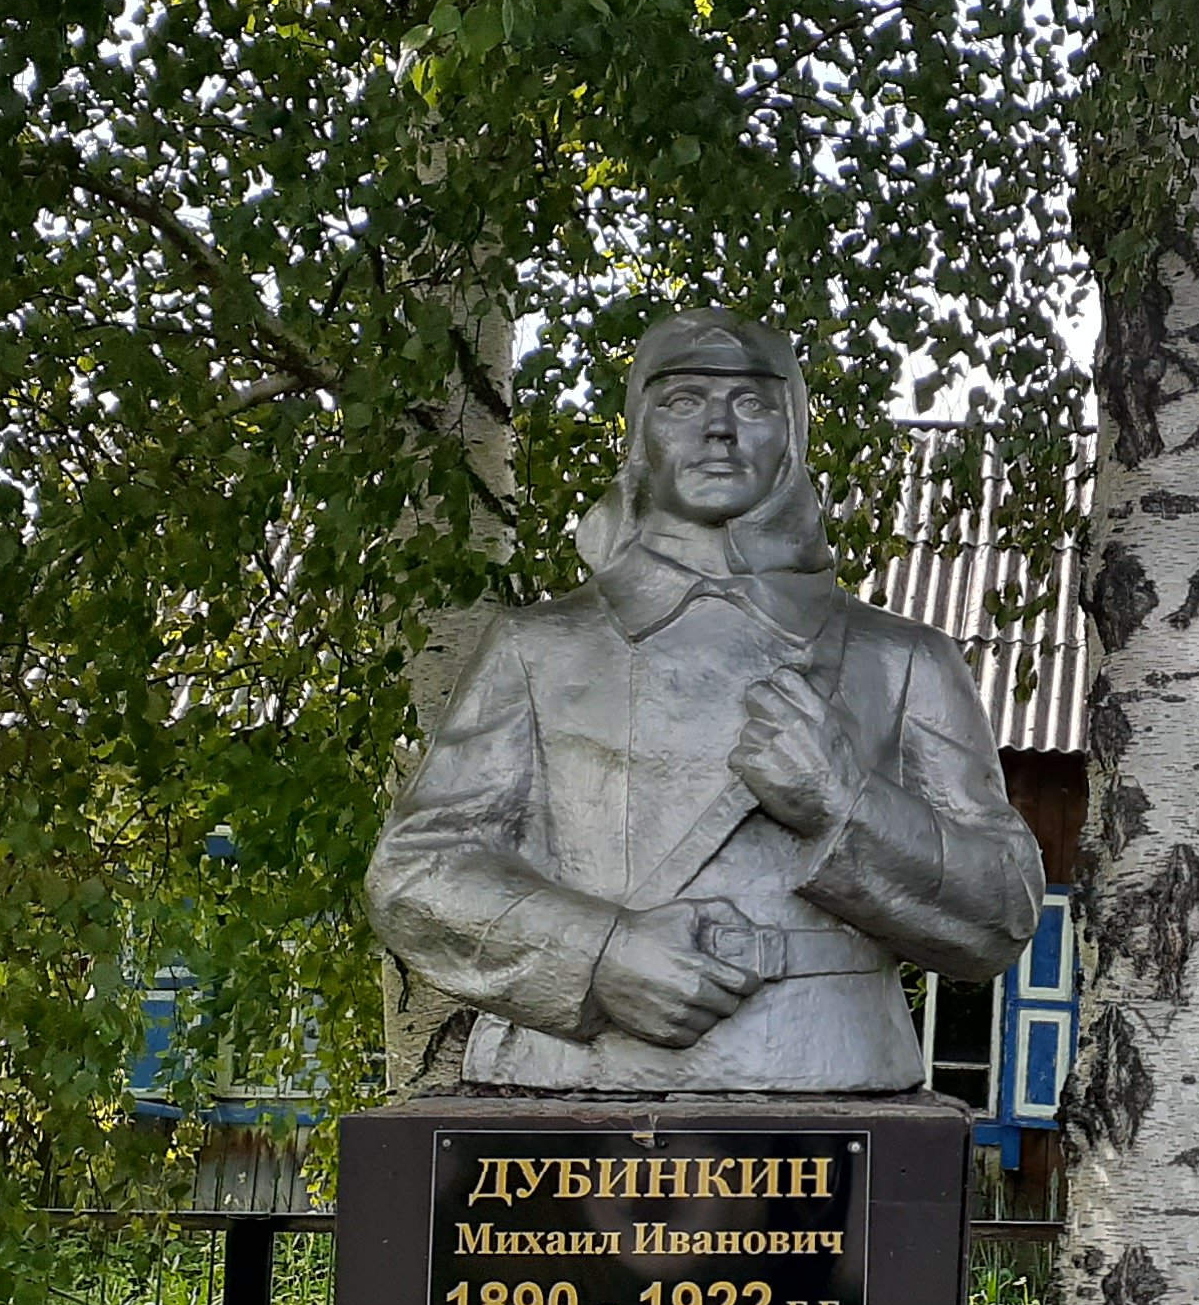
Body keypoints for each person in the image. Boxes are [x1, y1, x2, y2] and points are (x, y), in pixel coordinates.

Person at [366, 311, 1045, 1093]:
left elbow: (1003, 912)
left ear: (791, 435)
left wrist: (844, 803)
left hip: (827, 1057)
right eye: (683, 401)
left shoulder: (904, 661)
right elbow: (416, 874)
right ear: (639, 434)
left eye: (753, 404)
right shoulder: (537, 649)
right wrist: (603, 954)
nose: (719, 428)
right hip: (575, 1068)